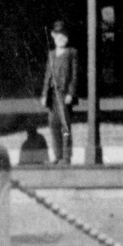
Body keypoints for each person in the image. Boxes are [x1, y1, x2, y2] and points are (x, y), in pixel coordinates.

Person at [39, 20, 78, 165]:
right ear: (53, 36)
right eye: (58, 35)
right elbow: (47, 76)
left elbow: (74, 75)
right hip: (52, 95)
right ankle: (57, 155)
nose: (61, 38)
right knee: (53, 124)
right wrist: (44, 95)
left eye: (64, 35)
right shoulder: (51, 54)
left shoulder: (71, 53)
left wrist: (70, 93)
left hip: (63, 94)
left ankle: (66, 157)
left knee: (64, 125)